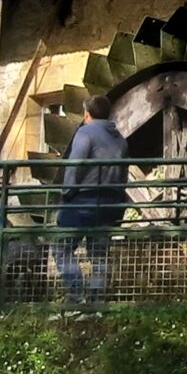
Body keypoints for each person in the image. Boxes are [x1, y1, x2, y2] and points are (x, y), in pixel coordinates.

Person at [56, 94, 129, 305]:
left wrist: (67, 193)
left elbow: (75, 165)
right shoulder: (121, 140)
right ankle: (97, 302)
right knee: (98, 254)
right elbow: (123, 176)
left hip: (83, 203)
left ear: (87, 114)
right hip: (111, 204)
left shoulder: (85, 132)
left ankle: (77, 295)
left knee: (62, 248)